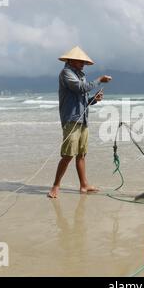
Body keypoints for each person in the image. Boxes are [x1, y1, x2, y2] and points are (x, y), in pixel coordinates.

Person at [48, 46, 112, 199]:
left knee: (81, 154)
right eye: (80, 61)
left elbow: (83, 100)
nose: (83, 64)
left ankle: (84, 185)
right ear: (71, 60)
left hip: (83, 120)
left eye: (84, 61)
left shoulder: (80, 75)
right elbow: (80, 88)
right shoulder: (66, 73)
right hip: (71, 119)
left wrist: (93, 100)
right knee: (68, 155)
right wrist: (99, 80)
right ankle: (55, 186)